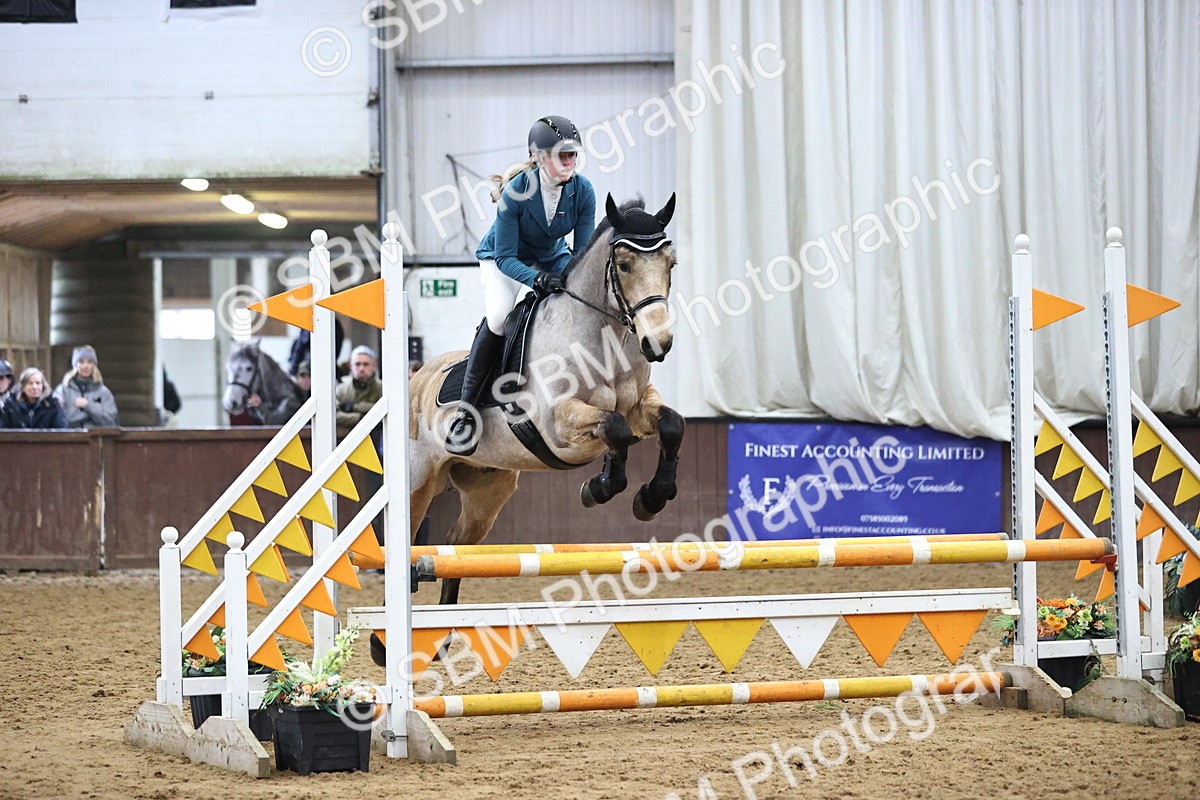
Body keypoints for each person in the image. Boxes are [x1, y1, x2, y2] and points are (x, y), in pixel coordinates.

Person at [445, 115, 596, 455]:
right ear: (540, 158)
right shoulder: (516, 193)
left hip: (552, 254)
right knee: (499, 316)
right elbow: (506, 258)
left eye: (573, 155)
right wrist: (537, 279)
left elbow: (583, 253)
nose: (570, 162)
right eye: (562, 155)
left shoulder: (583, 190)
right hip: (504, 258)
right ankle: (465, 414)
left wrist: (571, 276)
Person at [56, 345, 119, 428]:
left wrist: (88, 405)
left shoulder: (104, 392)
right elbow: (59, 419)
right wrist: (92, 415)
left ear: (94, 365)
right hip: (70, 438)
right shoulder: (62, 390)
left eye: (89, 362)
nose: (85, 366)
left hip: (95, 438)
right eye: (81, 362)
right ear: (75, 365)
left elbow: (110, 421)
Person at [336, 345, 382, 435]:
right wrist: (360, 417)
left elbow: (387, 413)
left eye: (366, 364)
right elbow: (334, 415)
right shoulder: (341, 389)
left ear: (374, 366)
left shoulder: (382, 388)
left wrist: (354, 407)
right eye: (357, 364)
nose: (361, 368)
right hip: (346, 438)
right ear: (351, 366)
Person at [1, 367, 66, 429]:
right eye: (30, 383)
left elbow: (61, 431)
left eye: (38, 383)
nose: (35, 387)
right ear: (23, 387)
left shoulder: (53, 404)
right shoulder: (11, 405)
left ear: (43, 386)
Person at [264, 359, 311, 425]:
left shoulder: (319, 397)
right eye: (303, 376)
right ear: (297, 378)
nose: (306, 381)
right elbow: (275, 420)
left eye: (309, 376)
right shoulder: (292, 399)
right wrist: (261, 407)